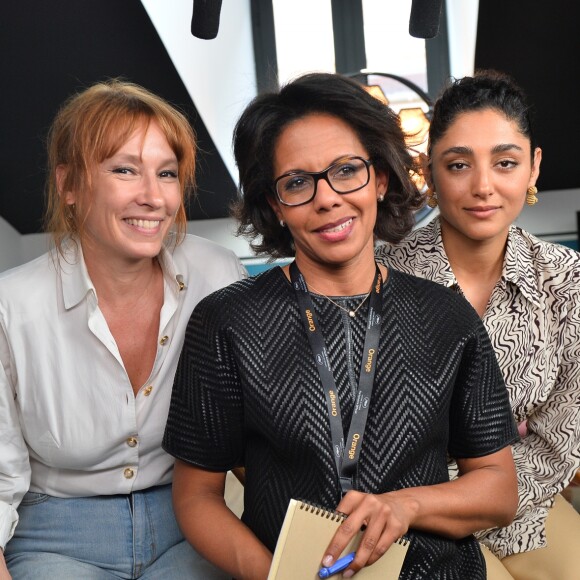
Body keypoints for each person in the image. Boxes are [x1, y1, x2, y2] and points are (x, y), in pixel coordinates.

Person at [163, 72, 520, 580]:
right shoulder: (228, 322)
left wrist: (406, 507)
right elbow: (197, 496)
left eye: (346, 170)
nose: (327, 198)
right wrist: (274, 577)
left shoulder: (447, 316)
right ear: (274, 205)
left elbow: (498, 488)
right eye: (297, 183)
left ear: (379, 179)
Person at [0, 80, 245, 579]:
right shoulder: (11, 306)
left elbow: (253, 429)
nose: (153, 197)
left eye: (167, 173)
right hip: (54, 536)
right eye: (125, 170)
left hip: (188, 519)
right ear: (69, 185)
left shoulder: (218, 275)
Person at [376, 70, 580, 579]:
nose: (483, 186)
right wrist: (436, 505)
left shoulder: (567, 281)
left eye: (506, 162)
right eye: (459, 164)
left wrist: (490, 504)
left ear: (533, 168)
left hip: (522, 502)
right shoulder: (381, 277)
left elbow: (560, 439)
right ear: (429, 171)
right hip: (400, 511)